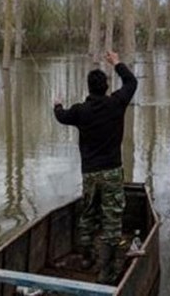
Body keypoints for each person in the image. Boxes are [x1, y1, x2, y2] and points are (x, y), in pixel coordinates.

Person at [53, 51, 137, 284]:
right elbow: (132, 82)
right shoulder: (116, 103)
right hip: (111, 171)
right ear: (106, 86)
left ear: (89, 88)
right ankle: (107, 271)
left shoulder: (80, 110)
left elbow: (61, 116)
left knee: (88, 214)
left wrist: (57, 105)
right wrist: (117, 62)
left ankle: (87, 258)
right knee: (112, 218)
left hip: (89, 173)